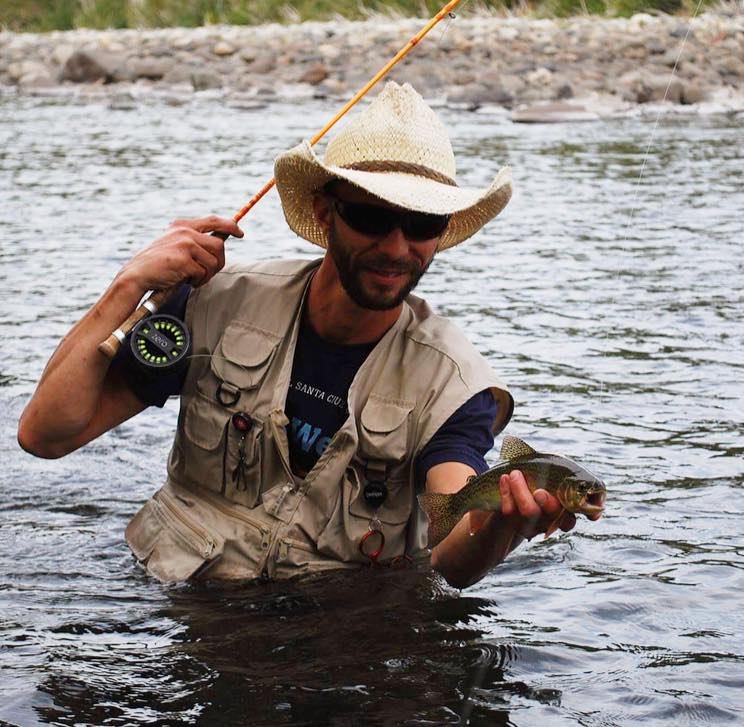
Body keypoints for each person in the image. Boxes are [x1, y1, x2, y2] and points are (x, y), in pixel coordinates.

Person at [18, 82, 575, 588]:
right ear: (324, 211)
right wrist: (127, 285)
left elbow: (452, 555)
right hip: (178, 598)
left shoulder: (455, 384)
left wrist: (500, 527)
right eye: (372, 218)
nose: (398, 248)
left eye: (423, 225)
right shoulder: (214, 302)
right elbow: (46, 435)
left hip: (334, 631)